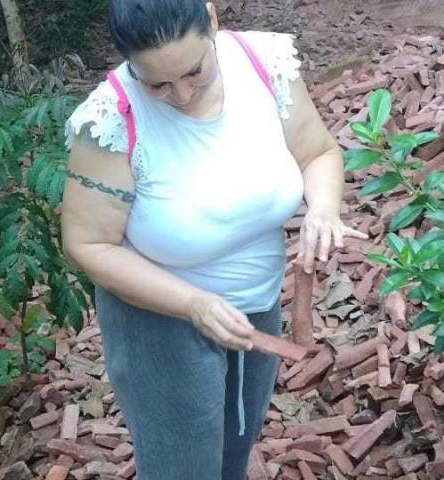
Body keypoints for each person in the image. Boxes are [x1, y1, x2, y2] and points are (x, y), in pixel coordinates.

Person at [61, 1, 365, 478]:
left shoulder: (265, 64)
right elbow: (88, 244)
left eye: (194, 71)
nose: (182, 94)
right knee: (182, 466)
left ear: (213, 20)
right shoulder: (111, 120)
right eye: (157, 83)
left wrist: (323, 210)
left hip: (256, 302)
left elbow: (318, 152)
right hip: (160, 316)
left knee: (234, 448)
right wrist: (194, 304)